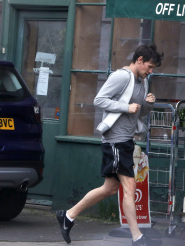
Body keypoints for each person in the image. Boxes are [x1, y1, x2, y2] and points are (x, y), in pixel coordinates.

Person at [56, 44, 164, 246]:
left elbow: (137, 112)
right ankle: (137, 238)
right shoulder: (121, 77)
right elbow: (99, 100)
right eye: (149, 66)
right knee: (129, 187)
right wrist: (126, 107)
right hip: (115, 140)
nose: (151, 71)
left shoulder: (143, 80)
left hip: (126, 140)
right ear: (139, 60)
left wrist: (148, 104)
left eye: (153, 68)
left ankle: (68, 215)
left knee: (110, 188)